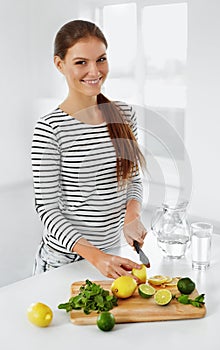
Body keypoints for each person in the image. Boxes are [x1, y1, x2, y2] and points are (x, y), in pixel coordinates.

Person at [31, 19, 147, 279]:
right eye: (81, 62)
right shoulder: (50, 129)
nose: (94, 71)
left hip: (110, 257)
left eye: (101, 59)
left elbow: (133, 178)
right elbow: (47, 210)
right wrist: (96, 256)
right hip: (65, 262)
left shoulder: (124, 115)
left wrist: (132, 216)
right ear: (59, 64)